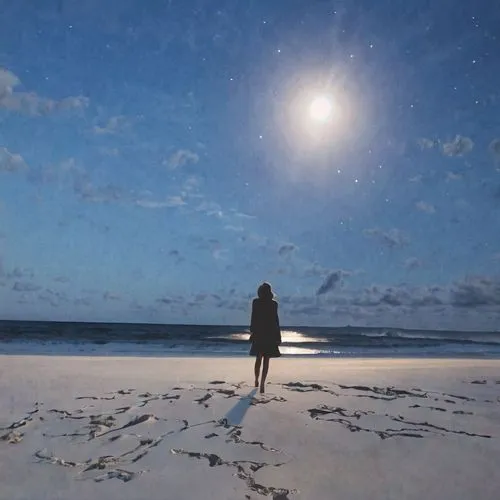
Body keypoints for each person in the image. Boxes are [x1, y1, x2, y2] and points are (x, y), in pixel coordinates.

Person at [249, 282, 282, 393]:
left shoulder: (256, 302)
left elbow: (253, 317)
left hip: (259, 333)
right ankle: (262, 383)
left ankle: (256, 380)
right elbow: (276, 321)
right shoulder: (274, 304)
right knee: (266, 359)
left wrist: (252, 331)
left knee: (258, 358)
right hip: (270, 333)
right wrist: (278, 336)